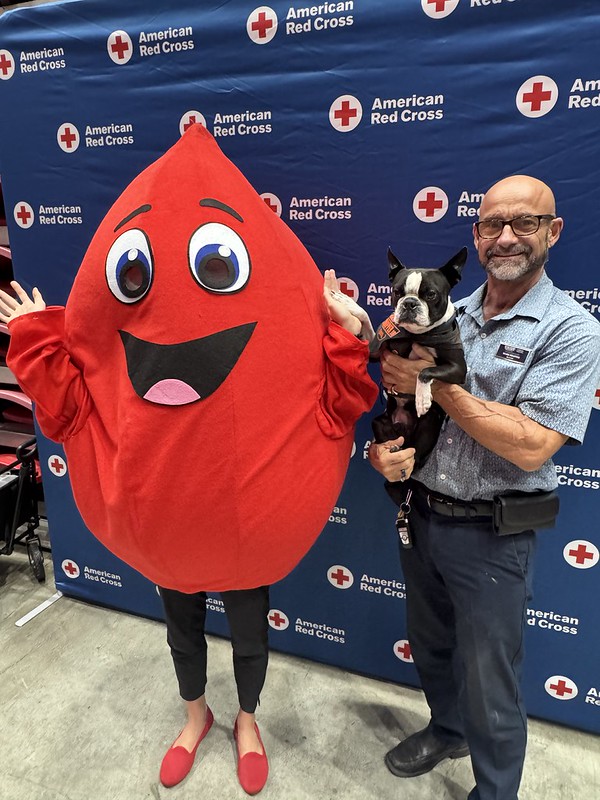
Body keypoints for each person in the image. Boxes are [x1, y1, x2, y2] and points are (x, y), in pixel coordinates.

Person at [0, 269, 374, 795]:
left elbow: (333, 400)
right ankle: (196, 716)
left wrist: (344, 332)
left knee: (250, 637)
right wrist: (35, 334)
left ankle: (247, 721)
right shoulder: (142, 341)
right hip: (171, 523)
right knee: (182, 633)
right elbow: (75, 404)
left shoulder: (255, 338)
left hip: (243, 526)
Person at [368, 175, 600, 800]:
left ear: (553, 231)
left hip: (492, 534)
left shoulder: (571, 329)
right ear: (475, 236)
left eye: (524, 222)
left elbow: (532, 445)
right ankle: (448, 730)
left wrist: (435, 385)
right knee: (431, 646)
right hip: (420, 514)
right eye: (493, 224)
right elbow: (399, 406)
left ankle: (495, 790)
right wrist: (382, 454)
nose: (506, 237)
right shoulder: (448, 310)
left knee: (490, 681)